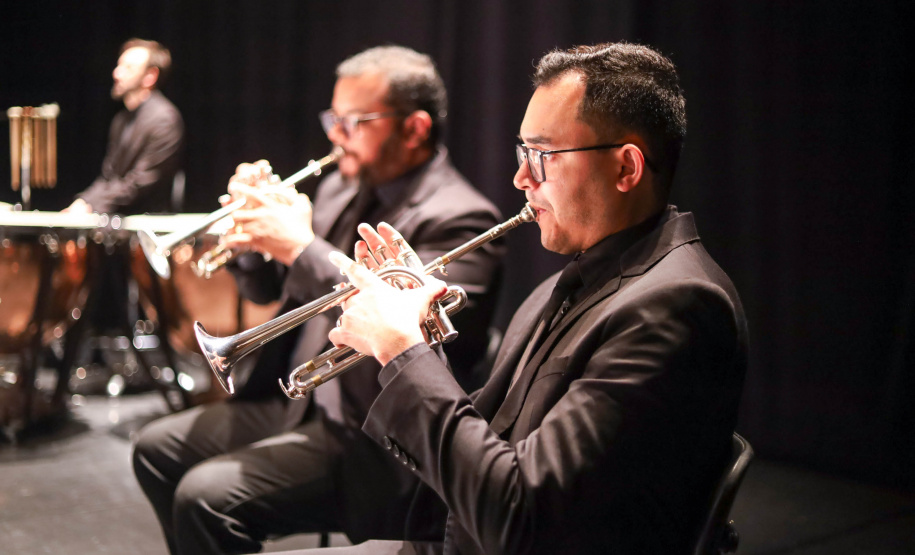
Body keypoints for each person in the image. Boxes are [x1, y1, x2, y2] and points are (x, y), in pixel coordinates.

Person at [323, 42, 748, 554]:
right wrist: (422, 337)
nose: (521, 178)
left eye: (542, 155)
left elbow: (524, 518)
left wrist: (402, 352)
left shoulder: (677, 305)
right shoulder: (577, 279)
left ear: (626, 169)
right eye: (523, 153)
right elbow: (495, 443)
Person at [131, 46, 504, 555]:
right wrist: (253, 245)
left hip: (370, 438)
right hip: (295, 401)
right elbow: (271, 292)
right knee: (154, 449)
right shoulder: (337, 189)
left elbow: (397, 326)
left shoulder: (464, 218)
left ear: (414, 128)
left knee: (206, 498)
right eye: (334, 118)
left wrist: (300, 246)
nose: (335, 134)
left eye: (355, 121)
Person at [64, 38, 184, 214]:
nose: (116, 73)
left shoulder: (165, 119)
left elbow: (141, 182)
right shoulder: (120, 120)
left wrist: (90, 206)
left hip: (147, 227)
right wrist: (83, 201)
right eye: (119, 66)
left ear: (150, 76)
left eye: (128, 68)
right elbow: (108, 177)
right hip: (115, 222)